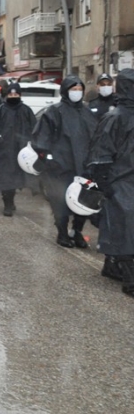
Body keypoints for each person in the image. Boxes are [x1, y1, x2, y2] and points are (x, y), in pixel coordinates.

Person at [31, 75, 98, 248]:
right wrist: (50, 158)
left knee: (83, 200)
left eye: (79, 89)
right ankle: (62, 232)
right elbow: (41, 138)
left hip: (83, 166)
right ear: (65, 91)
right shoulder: (54, 111)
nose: (77, 93)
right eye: (73, 89)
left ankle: (77, 231)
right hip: (60, 167)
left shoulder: (87, 112)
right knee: (59, 200)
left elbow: (96, 137)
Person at [86, 68, 134, 294]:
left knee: (121, 226)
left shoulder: (116, 116)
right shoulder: (115, 118)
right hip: (120, 181)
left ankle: (111, 264)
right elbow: (102, 152)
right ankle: (129, 276)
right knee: (124, 227)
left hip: (125, 181)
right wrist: (103, 181)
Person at [0, 82, 36, 216]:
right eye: (11, 94)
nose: (13, 96)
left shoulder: (26, 110)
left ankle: (10, 201)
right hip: (4, 150)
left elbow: (34, 128)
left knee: (16, 177)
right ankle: (7, 203)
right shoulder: (0, 110)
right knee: (5, 177)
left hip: (21, 151)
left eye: (16, 94)